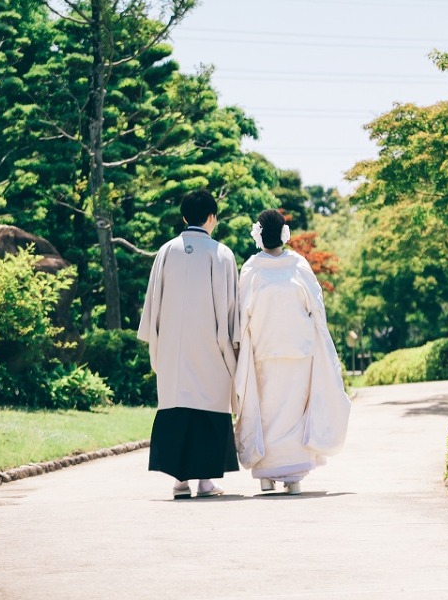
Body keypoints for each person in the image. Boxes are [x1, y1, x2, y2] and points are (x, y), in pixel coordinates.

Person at [234, 208, 351, 495]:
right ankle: (293, 476)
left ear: (259, 235)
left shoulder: (251, 268)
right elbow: (316, 306)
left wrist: (239, 345)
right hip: (299, 348)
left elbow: (241, 313)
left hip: (264, 348)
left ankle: (265, 474)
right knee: (293, 412)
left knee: (265, 411)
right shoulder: (298, 264)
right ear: (284, 234)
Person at [138, 189, 240, 499]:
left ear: (184, 217)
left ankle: (179, 481)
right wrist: (235, 345)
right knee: (209, 411)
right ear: (211, 217)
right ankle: (205, 482)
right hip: (211, 347)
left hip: (172, 348)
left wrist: (157, 340)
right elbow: (231, 306)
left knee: (177, 409)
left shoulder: (166, 251)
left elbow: (153, 301)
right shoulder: (221, 253)